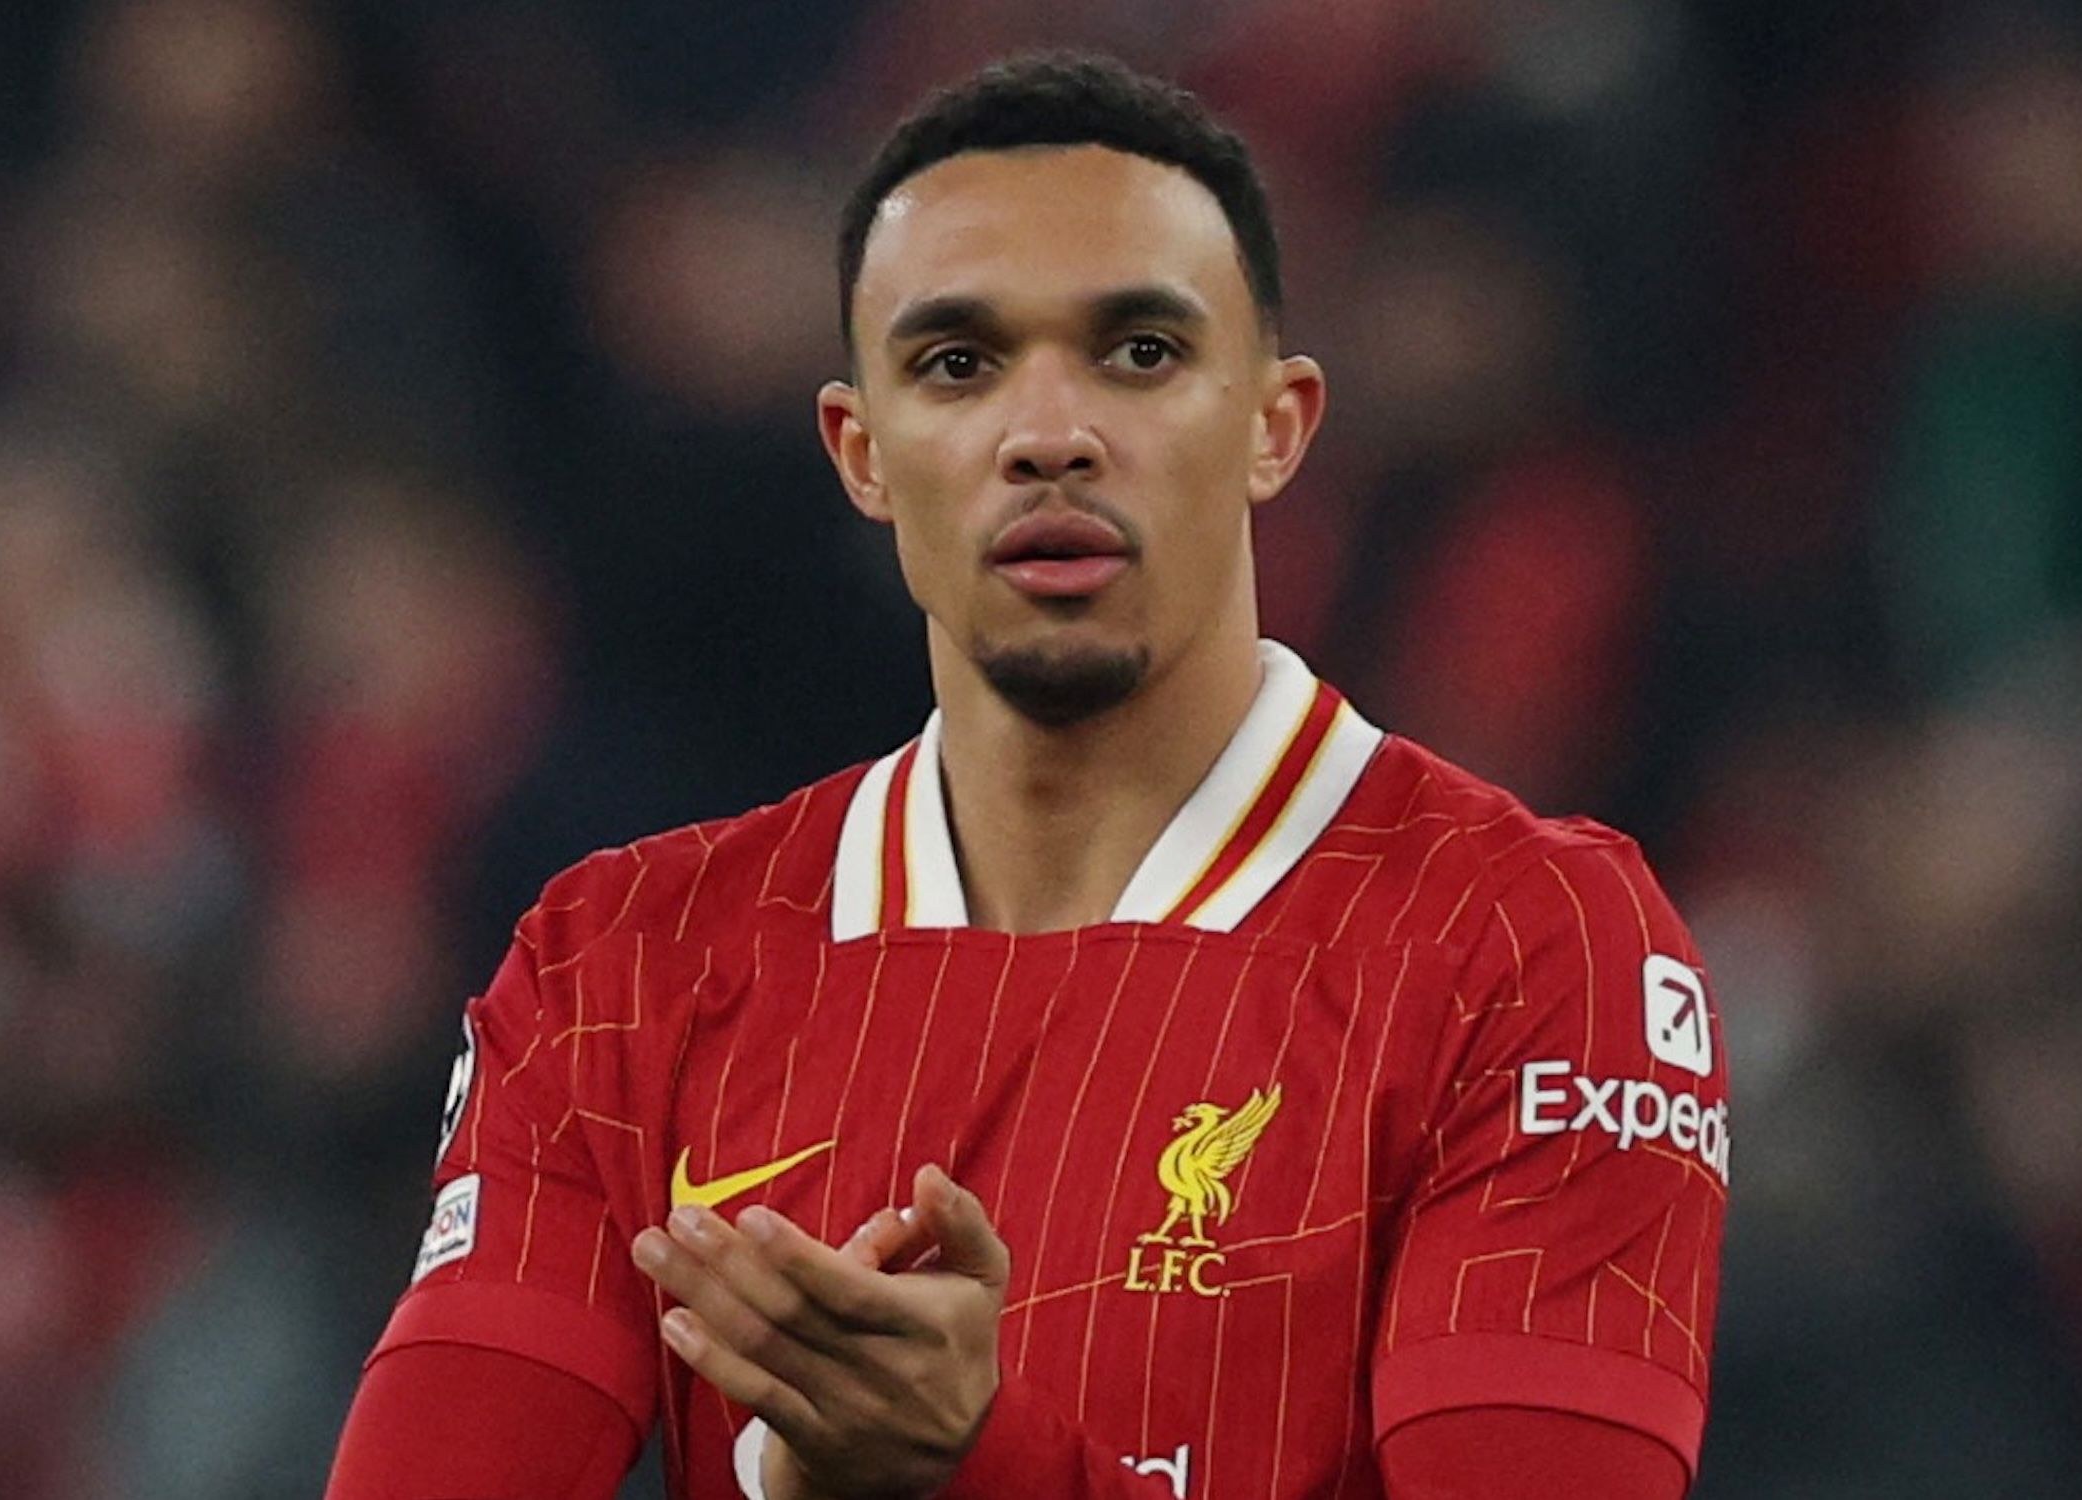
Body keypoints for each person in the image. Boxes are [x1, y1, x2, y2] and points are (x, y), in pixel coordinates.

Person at [324, 51, 1727, 1500]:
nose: (1050, 438)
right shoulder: (620, 969)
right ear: (863, 455)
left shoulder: (1530, 947)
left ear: (1277, 425)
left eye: (1139, 353)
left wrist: (972, 1466)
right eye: (957, 364)